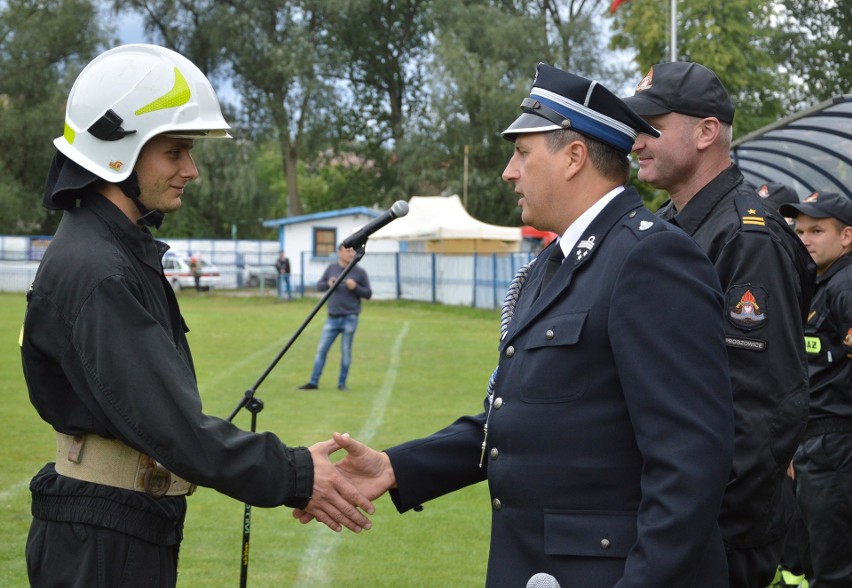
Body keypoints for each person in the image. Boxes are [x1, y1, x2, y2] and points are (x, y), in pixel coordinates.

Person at [297, 64, 735, 586]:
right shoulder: (552, 266)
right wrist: (396, 467)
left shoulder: (651, 258)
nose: (509, 171)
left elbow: (690, 465)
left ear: (574, 158)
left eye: (522, 153)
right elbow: (510, 422)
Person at [19, 44, 373, 587]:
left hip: (116, 526)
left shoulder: (111, 251)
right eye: (175, 152)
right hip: (100, 543)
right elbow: (173, 428)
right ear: (119, 150)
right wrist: (297, 474)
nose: (192, 169)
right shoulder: (98, 268)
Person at [622, 62, 817, 588]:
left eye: (652, 125)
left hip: (716, 538)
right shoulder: (668, 227)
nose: (637, 141)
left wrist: (700, 533)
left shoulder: (747, 237)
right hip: (673, 520)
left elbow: (763, 411)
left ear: (707, 131)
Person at [778, 192, 852, 588]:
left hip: (837, 445)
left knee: (834, 566)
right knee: (815, 561)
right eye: (800, 229)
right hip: (816, 444)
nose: (804, 238)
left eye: (817, 230)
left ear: (847, 237)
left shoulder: (846, 286)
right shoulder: (821, 282)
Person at [298, 244, 371, 392]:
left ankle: (342, 383)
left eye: (352, 251)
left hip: (350, 317)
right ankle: (313, 382)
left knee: (346, 352)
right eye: (347, 251)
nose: (351, 253)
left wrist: (355, 287)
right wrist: (329, 284)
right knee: (321, 350)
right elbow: (319, 286)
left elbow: (368, 293)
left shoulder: (359, 272)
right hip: (332, 318)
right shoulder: (331, 269)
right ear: (339, 253)